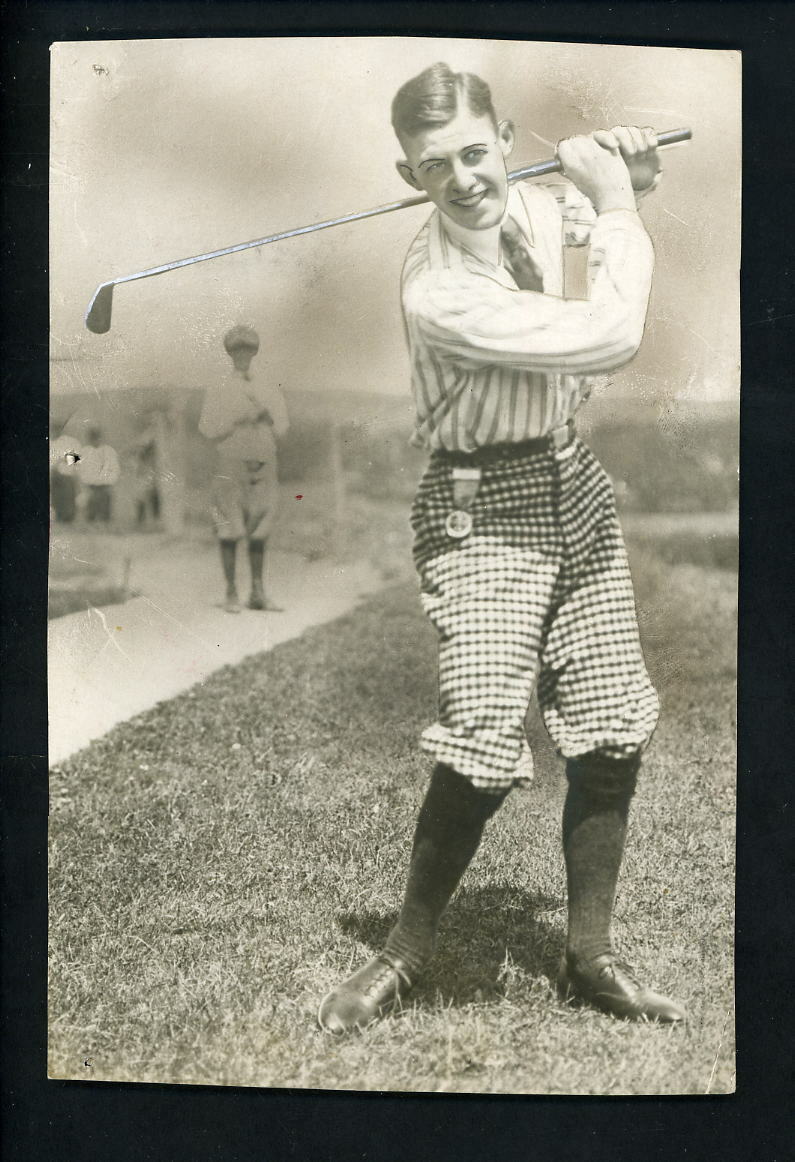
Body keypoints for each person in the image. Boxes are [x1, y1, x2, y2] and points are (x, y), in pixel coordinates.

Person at [318, 63, 685, 1033]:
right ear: (410, 173)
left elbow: (593, 225)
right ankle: (403, 952)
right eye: (437, 166)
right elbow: (609, 332)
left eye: (478, 153)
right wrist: (617, 209)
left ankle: (590, 954)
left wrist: (620, 182)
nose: (467, 179)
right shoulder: (438, 286)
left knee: (611, 721)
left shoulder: (526, 202)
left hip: (573, 479)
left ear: (504, 137)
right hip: (483, 511)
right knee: (482, 740)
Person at [198, 325, 289, 613]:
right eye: (237, 352)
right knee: (228, 525)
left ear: (254, 353)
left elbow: (283, 427)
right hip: (231, 462)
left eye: (248, 351)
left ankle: (258, 593)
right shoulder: (220, 388)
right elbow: (207, 429)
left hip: (262, 461)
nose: (243, 357)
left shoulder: (266, 387)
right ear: (230, 354)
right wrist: (238, 419)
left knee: (260, 526)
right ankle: (231, 593)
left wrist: (268, 416)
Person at [77, 426, 121, 523]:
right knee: (90, 505)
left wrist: (109, 481)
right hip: (90, 486)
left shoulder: (109, 451)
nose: (95, 440)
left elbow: (115, 468)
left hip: (104, 485)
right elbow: (70, 460)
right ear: (89, 439)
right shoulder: (85, 451)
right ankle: (91, 522)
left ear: (101, 438)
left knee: (104, 504)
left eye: (97, 437)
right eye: (93, 438)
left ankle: (105, 522)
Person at [49, 423, 82, 523]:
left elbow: (77, 460)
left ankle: (67, 519)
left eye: (58, 428)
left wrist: (63, 459)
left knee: (67, 501)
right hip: (52, 477)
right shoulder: (49, 441)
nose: (55, 431)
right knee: (55, 500)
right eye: (53, 428)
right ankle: (57, 519)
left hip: (66, 476)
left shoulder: (69, 442)